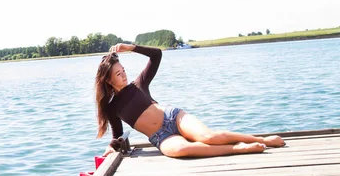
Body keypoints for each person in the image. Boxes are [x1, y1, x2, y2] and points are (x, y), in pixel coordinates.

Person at [95, 43, 285, 158]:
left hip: (173, 117)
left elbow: (157, 55)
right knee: (181, 150)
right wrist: (111, 147)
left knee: (209, 137)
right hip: (161, 137)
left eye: (124, 71)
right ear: (108, 80)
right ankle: (238, 149)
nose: (124, 76)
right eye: (118, 74)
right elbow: (117, 136)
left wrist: (131, 48)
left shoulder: (139, 83)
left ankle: (262, 140)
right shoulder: (113, 108)